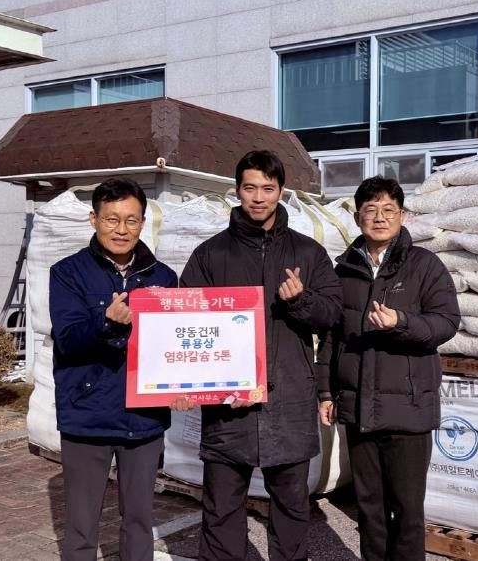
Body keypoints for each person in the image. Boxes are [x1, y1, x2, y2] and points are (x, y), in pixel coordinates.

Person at [179, 150, 343, 561]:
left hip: (288, 403)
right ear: (237, 191)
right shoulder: (210, 255)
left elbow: (333, 315)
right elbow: (185, 324)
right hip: (228, 409)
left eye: (268, 189)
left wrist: (301, 301)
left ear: (281, 191)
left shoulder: (308, 253)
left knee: (291, 510)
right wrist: (201, 385)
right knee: (221, 510)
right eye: (250, 188)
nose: (258, 197)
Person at [317, 175, 460, 561]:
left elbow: (446, 323)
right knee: (370, 510)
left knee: (407, 512)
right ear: (357, 217)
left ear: (402, 215)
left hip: (407, 411)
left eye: (388, 210)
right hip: (359, 410)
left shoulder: (424, 266)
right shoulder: (344, 271)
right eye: (370, 210)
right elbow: (331, 337)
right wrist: (326, 392)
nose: (379, 218)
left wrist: (401, 322)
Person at [49, 177, 178, 561]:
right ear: (94, 220)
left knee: (139, 521)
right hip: (88, 413)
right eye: (111, 219)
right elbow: (68, 339)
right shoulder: (67, 273)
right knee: (81, 526)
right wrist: (106, 322)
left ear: (143, 222)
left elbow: (173, 344)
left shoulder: (164, 277)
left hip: (145, 417)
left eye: (131, 220)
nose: (121, 229)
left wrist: (182, 386)